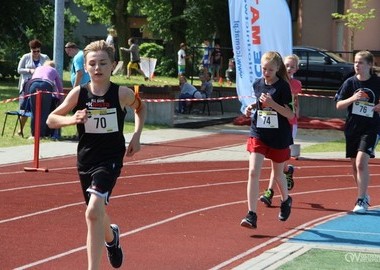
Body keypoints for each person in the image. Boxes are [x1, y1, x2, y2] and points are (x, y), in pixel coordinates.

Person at [46, 40, 146, 268]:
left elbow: (140, 107)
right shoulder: (78, 94)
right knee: (96, 213)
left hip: (110, 158)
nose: (98, 68)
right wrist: (72, 119)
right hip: (86, 159)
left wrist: (137, 136)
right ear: (86, 67)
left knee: (92, 212)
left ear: (113, 65)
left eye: (103, 63)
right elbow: (51, 119)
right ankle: (112, 237)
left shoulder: (121, 93)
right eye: (93, 63)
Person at [240, 51, 294, 229]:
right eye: (264, 69)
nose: (266, 72)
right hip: (259, 133)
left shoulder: (284, 87)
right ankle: (251, 214)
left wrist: (272, 104)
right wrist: (250, 108)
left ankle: (286, 200)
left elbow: (290, 114)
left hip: (278, 136)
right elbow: (259, 105)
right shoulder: (257, 84)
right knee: (253, 172)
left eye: (270, 69)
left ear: (278, 68)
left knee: (278, 174)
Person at [335, 50, 380, 214]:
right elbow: (338, 105)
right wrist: (353, 99)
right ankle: (364, 194)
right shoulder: (350, 83)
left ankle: (361, 200)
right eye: (355, 62)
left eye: (360, 62)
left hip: (371, 127)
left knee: (361, 162)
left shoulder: (377, 82)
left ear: (369, 65)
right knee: (354, 165)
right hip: (353, 127)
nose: (357, 65)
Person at [259, 54, 302, 207]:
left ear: (296, 69)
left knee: (277, 160)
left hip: (289, 123)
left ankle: (270, 191)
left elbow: (294, 102)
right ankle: (285, 173)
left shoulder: (294, 84)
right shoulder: (273, 82)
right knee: (276, 161)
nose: (289, 69)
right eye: (287, 65)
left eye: (292, 66)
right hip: (274, 123)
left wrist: (296, 111)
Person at [17, 39, 50, 136]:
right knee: (24, 108)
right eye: (34, 51)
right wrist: (29, 70)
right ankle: (20, 129)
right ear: (30, 50)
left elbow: (50, 69)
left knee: (37, 108)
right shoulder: (25, 57)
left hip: (39, 86)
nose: (36, 53)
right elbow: (19, 70)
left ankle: (38, 130)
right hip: (26, 86)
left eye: (38, 51)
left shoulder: (45, 57)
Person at [28, 60, 64, 138]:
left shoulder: (38, 68)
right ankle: (41, 134)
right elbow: (59, 86)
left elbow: (31, 80)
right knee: (44, 111)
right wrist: (61, 99)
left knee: (34, 111)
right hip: (46, 86)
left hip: (33, 85)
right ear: (53, 66)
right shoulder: (54, 70)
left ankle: (33, 134)